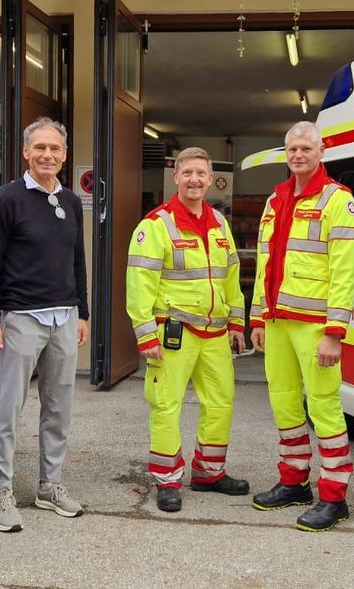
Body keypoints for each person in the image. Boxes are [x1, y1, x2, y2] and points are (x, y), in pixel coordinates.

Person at [248, 121, 354, 532]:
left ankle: (334, 496)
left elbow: (345, 272)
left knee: (324, 407)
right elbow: (264, 264)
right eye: (291, 149)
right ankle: (293, 481)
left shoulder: (339, 201)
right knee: (283, 403)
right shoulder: (276, 199)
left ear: (321, 151)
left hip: (316, 326)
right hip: (278, 323)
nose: (298, 154)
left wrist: (335, 331)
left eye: (305, 148)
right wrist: (259, 316)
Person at [0, 116, 88, 533]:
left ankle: (49, 485)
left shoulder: (72, 201)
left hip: (63, 315)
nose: (47, 155)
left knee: (59, 408)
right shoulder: (6, 199)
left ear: (64, 154)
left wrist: (83, 311)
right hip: (21, 316)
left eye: (55, 149)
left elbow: (77, 260)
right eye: (39, 147)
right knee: (8, 408)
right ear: (25, 152)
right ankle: (1, 491)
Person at [125, 147, 249, 512]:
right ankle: (167, 480)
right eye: (188, 173)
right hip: (173, 332)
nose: (195, 180)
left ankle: (210, 472)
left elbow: (231, 277)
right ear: (176, 178)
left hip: (215, 334)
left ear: (210, 179)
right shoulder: (156, 225)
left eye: (201, 174)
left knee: (220, 403)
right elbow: (139, 284)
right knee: (166, 405)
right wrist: (146, 333)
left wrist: (237, 322)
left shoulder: (219, 223)